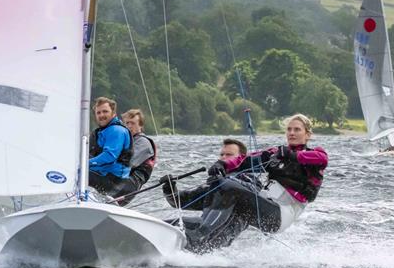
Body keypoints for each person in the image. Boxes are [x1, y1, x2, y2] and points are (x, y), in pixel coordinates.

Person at [162, 114, 327, 251]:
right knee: (224, 190)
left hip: (281, 215)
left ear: (308, 134)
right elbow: (244, 160)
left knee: (228, 187)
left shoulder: (315, 155)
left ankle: (200, 236)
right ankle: (201, 248)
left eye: (297, 129)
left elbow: (322, 159)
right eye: (289, 129)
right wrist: (222, 165)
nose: (291, 133)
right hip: (264, 204)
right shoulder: (275, 154)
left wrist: (291, 155)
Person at [107, 109, 157, 206]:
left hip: (130, 184)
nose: (129, 126)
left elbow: (127, 163)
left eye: (133, 123)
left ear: (140, 125)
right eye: (127, 123)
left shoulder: (143, 143)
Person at [88, 97, 132, 194]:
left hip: (114, 181)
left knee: (78, 173)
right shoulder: (102, 131)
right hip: (102, 175)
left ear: (113, 113)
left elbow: (109, 156)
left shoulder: (117, 131)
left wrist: (84, 164)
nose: (101, 115)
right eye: (98, 113)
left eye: (105, 111)